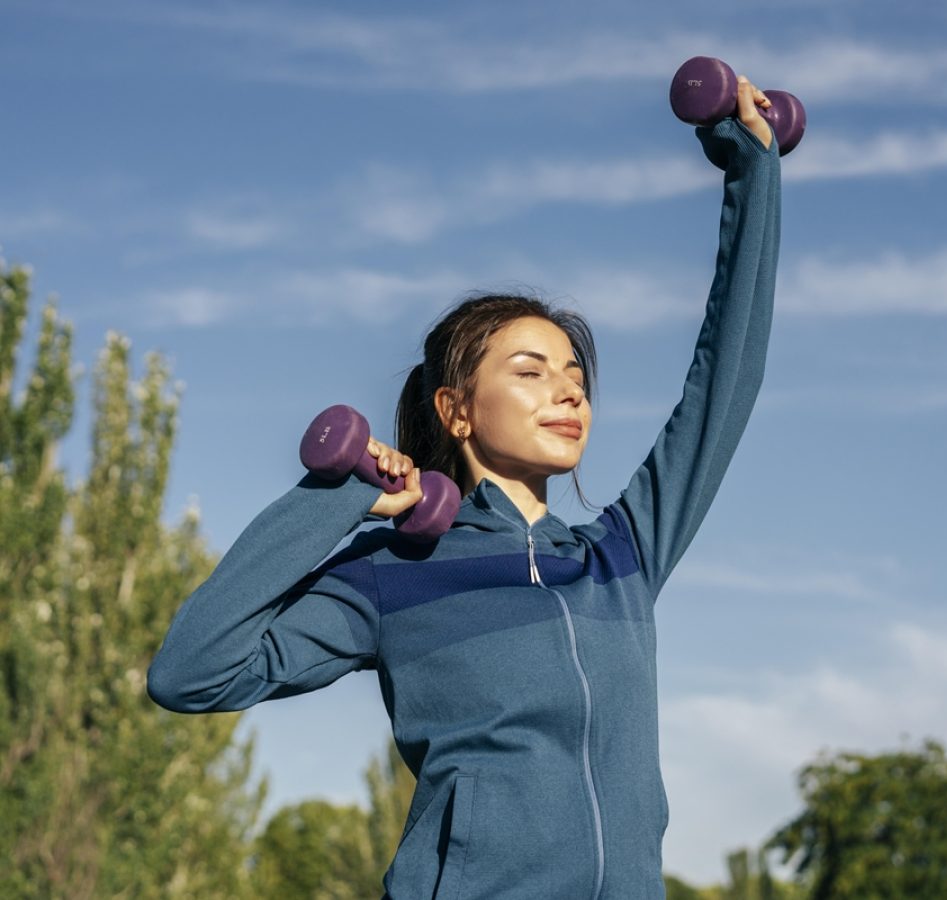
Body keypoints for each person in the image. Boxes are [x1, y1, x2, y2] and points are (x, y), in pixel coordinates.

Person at [148, 75, 781, 899]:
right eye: (531, 371)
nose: (569, 392)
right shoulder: (394, 573)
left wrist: (753, 175)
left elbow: (723, 384)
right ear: (455, 410)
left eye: (576, 376)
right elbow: (192, 674)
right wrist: (333, 499)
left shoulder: (619, 558)